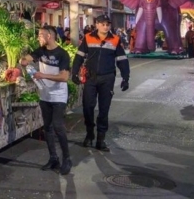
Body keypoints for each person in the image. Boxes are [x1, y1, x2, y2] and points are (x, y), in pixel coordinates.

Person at [71, 14, 130, 151]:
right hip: (90, 78)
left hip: (107, 78)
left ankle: (101, 139)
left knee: (104, 109)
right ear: (96, 24)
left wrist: (126, 78)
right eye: (102, 24)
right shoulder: (88, 38)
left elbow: (122, 60)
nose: (105, 26)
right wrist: (74, 73)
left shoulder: (115, 39)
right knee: (87, 107)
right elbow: (79, 57)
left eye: (107, 24)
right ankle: (90, 133)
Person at [20, 26, 72, 175]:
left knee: (58, 126)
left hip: (59, 96)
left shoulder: (62, 54)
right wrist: (24, 61)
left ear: (49, 36)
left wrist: (43, 75)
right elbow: (26, 60)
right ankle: (53, 158)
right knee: (47, 127)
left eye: (40, 35)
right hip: (45, 95)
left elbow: (64, 77)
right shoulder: (40, 51)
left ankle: (67, 159)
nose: (38, 38)